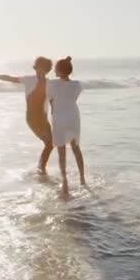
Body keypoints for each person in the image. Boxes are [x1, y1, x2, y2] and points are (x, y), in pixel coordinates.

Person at [0, 57, 53, 174]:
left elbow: (55, 98)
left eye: (42, 69)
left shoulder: (50, 84)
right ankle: (41, 168)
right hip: (32, 118)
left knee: (50, 144)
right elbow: (9, 78)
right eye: (37, 68)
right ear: (35, 68)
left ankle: (41, 168)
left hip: (44, 118)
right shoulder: (28, 80)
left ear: (47, 70)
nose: (39, 71)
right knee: (49, 143)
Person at [47, 56, 85, 196]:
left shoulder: (51, 84)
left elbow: (51, 100)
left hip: (59, 118)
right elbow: (72, 98)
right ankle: (82, 178)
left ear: (58, 70)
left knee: (61, 151)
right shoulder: (77, 85)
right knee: (76, 149)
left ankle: (65, 182)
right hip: (73, 117)